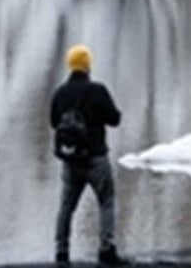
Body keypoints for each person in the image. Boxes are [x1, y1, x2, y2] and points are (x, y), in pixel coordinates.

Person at [50, 45, 128, 266]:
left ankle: (61, 253)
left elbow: (54, 122)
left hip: (71, 159)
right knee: (106, 201)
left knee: (66, 205)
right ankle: (106, 250)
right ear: (87, 65)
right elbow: (114, 119)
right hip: (96, 157)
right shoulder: (97, 90)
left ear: (70, 65)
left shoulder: (60, 93)